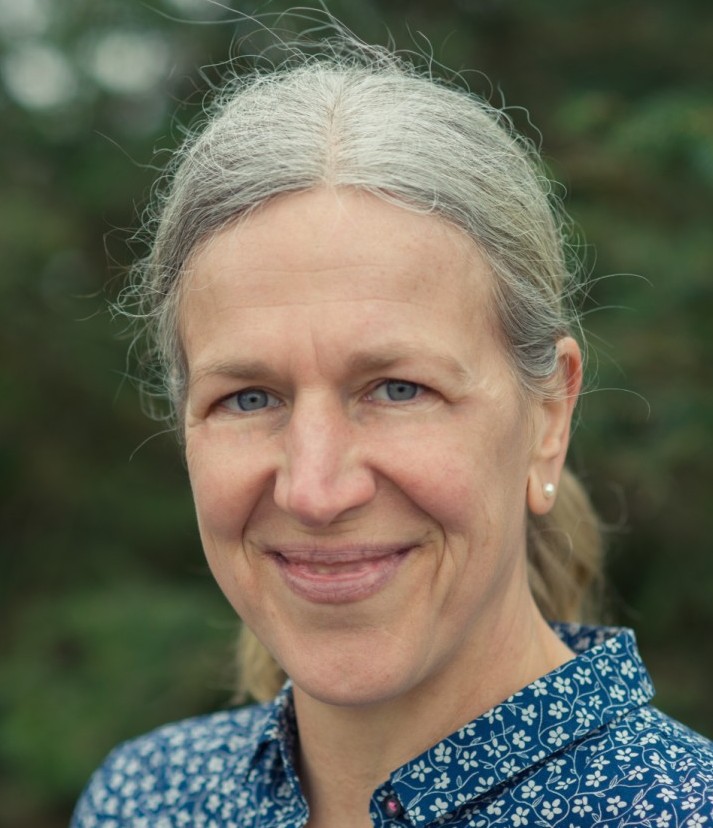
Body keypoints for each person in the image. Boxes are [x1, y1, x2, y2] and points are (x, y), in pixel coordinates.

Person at [71, 31, 712, 828]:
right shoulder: (145, 800)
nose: (315, 490)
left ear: (547, 417)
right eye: (249, 398)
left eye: (398, 389)